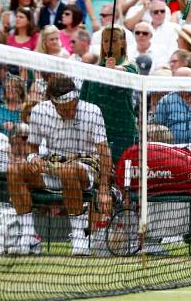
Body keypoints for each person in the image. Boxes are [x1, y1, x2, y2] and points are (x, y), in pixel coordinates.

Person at [6, 75, 112, 256]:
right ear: (54, 104)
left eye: (73, 106)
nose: (71, 111)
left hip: (85, 166)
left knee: (68, 170)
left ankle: (79, 236)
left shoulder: (92, 111)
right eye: (65, 109)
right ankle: (29, 237)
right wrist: (33, 158)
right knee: (13, 170)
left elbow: (104, 152)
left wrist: (104, 189)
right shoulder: (39, 111)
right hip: (52, 165)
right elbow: (32, 146)